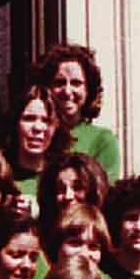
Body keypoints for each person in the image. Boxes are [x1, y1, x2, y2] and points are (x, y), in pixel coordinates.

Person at [33, 42, 119, 178]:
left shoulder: (102, 140)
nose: (67, 91)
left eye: (76, 83)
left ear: (88, 90)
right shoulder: (34, 135)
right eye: (59, 83)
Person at [0, 82, 68, 211]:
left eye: (47, 121)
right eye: (29, 119)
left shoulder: (64, 181)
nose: (38, 128)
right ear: (15, 123)